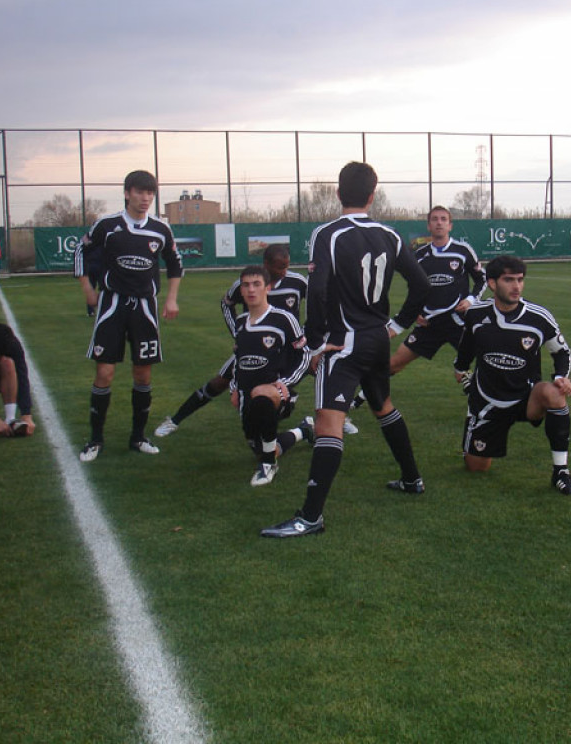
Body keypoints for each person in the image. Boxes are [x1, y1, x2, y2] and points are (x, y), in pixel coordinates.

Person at [260, 161, 430, 538]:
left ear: (338, 193)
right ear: (372, 195)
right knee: (383, 406)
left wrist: (316, 343)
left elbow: (318, 290)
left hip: (344, 342)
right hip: (376, 338)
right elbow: (421, 285)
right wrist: (396, 325)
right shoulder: (390, 234)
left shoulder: (328, 233)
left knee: (327, 422)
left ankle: (310, 517)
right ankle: (412, 479)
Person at [151, 243, 340, 437]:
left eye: (286, 266)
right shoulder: (247, 285)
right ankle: (175, 420)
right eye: (279, 267)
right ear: (266, 264)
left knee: (321, 371)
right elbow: (226, 303)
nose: (284, 271)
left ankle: (338, 417)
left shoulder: (297, 281)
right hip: (255, 349)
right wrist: (240, 334)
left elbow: (318, 304)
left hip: (289, 348)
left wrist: (309, 333)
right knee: (219, 383)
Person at [75, 170, 183, 462]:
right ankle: (95, 440)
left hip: (145, 307)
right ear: (127, 193)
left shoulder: (161, 229)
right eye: (139, 192)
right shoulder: (108, 225)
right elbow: (80, 250)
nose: (145, 198)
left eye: (150, 193)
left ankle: (138, 437)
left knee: (143, 373)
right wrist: (87, 288)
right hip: (112, 304)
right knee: (104, 372)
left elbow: (175, 264)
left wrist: (171, 298)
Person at [452, 255, 571, 495]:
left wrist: (561, 377)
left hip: (526, 398)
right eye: (509, 280)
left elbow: (562, 352)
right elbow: (466, 346)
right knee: (476, 467)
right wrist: (460, 368)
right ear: (492, 283)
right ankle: (474, 415)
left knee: (553, 393)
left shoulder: (539, 317)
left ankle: (561, 471)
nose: (516, 286)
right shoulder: (476, 314)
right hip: (488, 402)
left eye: (520, 280)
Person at [228, 265, 313, 486]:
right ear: (241, 290)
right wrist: (234, 388)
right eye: (246, 285)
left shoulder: (283, 319)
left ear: (267, 288)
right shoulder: (240, 322)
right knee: (263, 447)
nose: (251, 290)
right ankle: (304, 430)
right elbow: (239, 360)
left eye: (256, 284)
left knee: (262, 396)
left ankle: (268, 466)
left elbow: (304, 355)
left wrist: (284, 382)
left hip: (276, 393)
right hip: (246, 395)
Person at [388, 205, 485, 375]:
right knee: (393, 364)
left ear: (450, 226)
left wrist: (471, 300)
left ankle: (477, 385)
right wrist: (415, 312)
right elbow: (414, 288)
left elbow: (482, 279)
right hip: (429, 322)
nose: (439, 223)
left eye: (443, 219)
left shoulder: (462, 251)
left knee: (487, 361)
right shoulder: (419, 255)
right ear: (428, 226)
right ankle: (364, 392)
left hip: (459, 321)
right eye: (434, 219)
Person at [74, 235, 106, 316]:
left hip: (97, 266)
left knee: (101, 289)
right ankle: (92, 310)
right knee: (93, 289)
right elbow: (80, 248)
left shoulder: (99, 237)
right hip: (93, 267)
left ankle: (94, 311)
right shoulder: (93, 237)